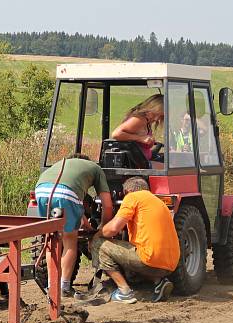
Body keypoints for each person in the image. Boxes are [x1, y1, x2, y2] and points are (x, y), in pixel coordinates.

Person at [91, 177, 179, 304]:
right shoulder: (158, 201)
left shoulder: (133, 197)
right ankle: (159, 281)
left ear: (127, 191)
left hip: (150, 259)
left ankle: (124, 291)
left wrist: (97, 234)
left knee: (99, 244)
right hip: (171, 264)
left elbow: (114, 229)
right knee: (137, 250)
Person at [36, 154, 113, 297]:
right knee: (70, 241)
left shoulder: (61, 163)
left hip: (40, 191)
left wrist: (85, 223)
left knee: (51, 239)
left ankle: (51, 286)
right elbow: (107, 206)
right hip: (66, 193)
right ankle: (64, 287)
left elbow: (76, 205)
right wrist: (103, 228)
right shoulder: (95, 168)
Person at [112, 94, 164, 167]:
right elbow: (116, 134)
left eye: (160, 116)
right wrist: (141, 138)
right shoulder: (139, 119)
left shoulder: (147, 121)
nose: (156, 119)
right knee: (170, 169)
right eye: (155, 114)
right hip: (138, 165)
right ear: (151, 108)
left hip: (144, 161)